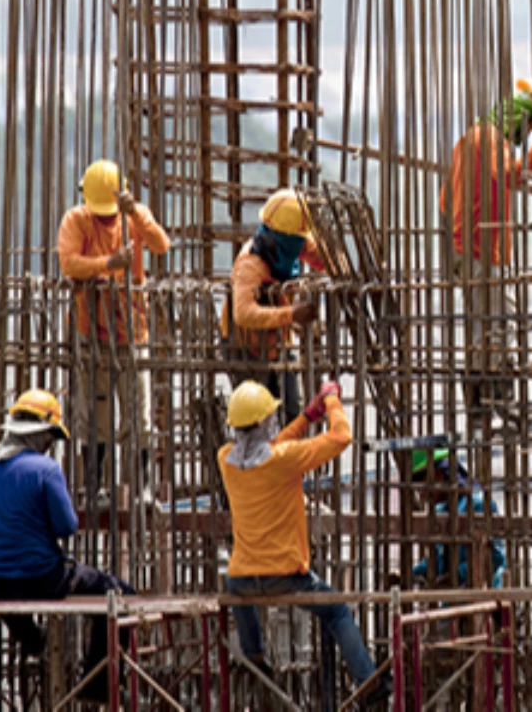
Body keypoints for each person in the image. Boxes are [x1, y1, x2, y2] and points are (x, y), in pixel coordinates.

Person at [217, 380, 388, 704]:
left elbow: (267, 449)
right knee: (336, 609)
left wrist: (307, 417)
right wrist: (333, 401)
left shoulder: (225, 459)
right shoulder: (285, 460)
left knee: (232, 586)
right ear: (266, 422)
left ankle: (255, 657)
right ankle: (369, 682)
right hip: (285, 575)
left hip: (243, 579)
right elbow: (341, 437)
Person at [0, 389, 136, 700]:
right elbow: (67, 526)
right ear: (40, 435)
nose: (50, 444)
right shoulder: (46, 470)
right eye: (50, 436)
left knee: (10, 597)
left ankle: (33, 640)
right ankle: (96, 686)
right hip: (43, 577)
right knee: (119, 595)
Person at [57, 159, 171, 507]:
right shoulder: (77, 220)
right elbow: (68, 262)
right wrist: (108, 264)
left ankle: (143, 488)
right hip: (91, 331)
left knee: (138, 413)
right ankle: (95, 489)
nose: (107, 219)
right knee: (95, 414)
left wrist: (135, 211)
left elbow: (161, 244)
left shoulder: (133, 218)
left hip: (131, 330)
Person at [439, 78, 532, 386]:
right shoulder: (492, 139)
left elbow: (444, 199)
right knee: (498, 324)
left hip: (461, 246)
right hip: (480, 249)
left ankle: (480, 399)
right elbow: (513, 175)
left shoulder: (469, 137)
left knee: (483, 323)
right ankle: (494, 393)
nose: (529, 133)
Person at [221, 188, 327, 410]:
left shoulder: (293, 243)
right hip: (245, 347)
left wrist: (335, 260)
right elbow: (243, 313)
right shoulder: (251, 263)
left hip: (278, 342)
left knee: (290, 409)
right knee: (258, 414)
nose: (300, 246)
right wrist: (291, 314)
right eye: (295, 241)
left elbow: (328, 261)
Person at [407, 449, 507, 588]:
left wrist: (456, 576)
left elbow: (494, 559)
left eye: (422, 488)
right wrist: (410, 574)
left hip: (481, 596)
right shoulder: (441, 511)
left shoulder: (477, 505)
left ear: (439, 476)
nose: (422, 496)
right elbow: (437, 560)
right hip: (452, 599)